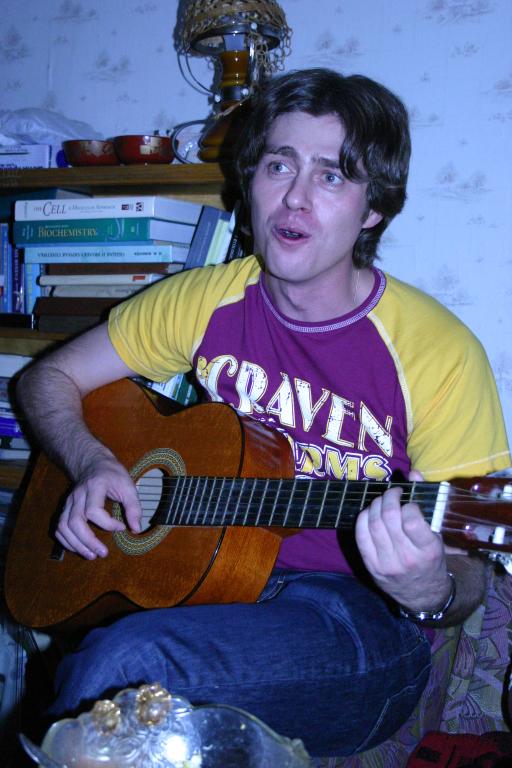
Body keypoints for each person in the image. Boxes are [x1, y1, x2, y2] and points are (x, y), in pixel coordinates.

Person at [17, 68, 511, 757]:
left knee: (124, 664)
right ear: (251, 181)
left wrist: (428, 588)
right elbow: (47, 378)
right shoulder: (203, 300)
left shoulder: (438, 353)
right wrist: (91, 460)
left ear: (373, 208)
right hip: (213, 583)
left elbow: (468, 576)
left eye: (332, 176)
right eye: (280, 165)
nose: (295, 197)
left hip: (359, 622)